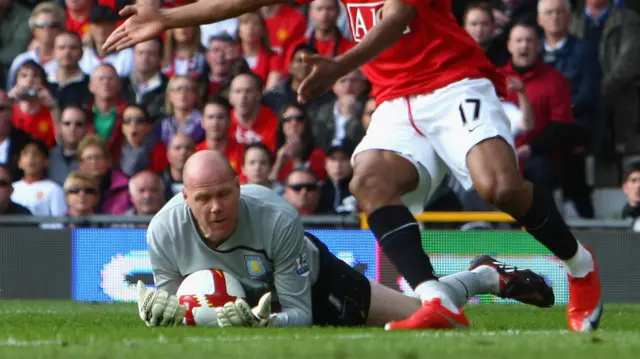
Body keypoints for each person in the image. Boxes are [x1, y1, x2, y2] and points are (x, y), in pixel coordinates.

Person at [101, 0, 601, 333]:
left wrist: (339, 66)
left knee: (499, 187)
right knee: (369, 182)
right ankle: (437, 301)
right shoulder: (169, 228)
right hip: (396, 98)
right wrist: (169, 18)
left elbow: (400, 14)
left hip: (453, 82)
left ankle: (581, 267)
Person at [136, 150, 553, 328]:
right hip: (251, 300)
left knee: (430, 320)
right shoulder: (163, 232)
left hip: (317, 284)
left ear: (239, 188)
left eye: (224, 195)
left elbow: (299, 312)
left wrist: (265, 322)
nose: (215, 208)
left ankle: (482, 276)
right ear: (184, 197)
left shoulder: (277, 219)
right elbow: (178, 312)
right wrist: (161, 314)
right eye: (203, 199)